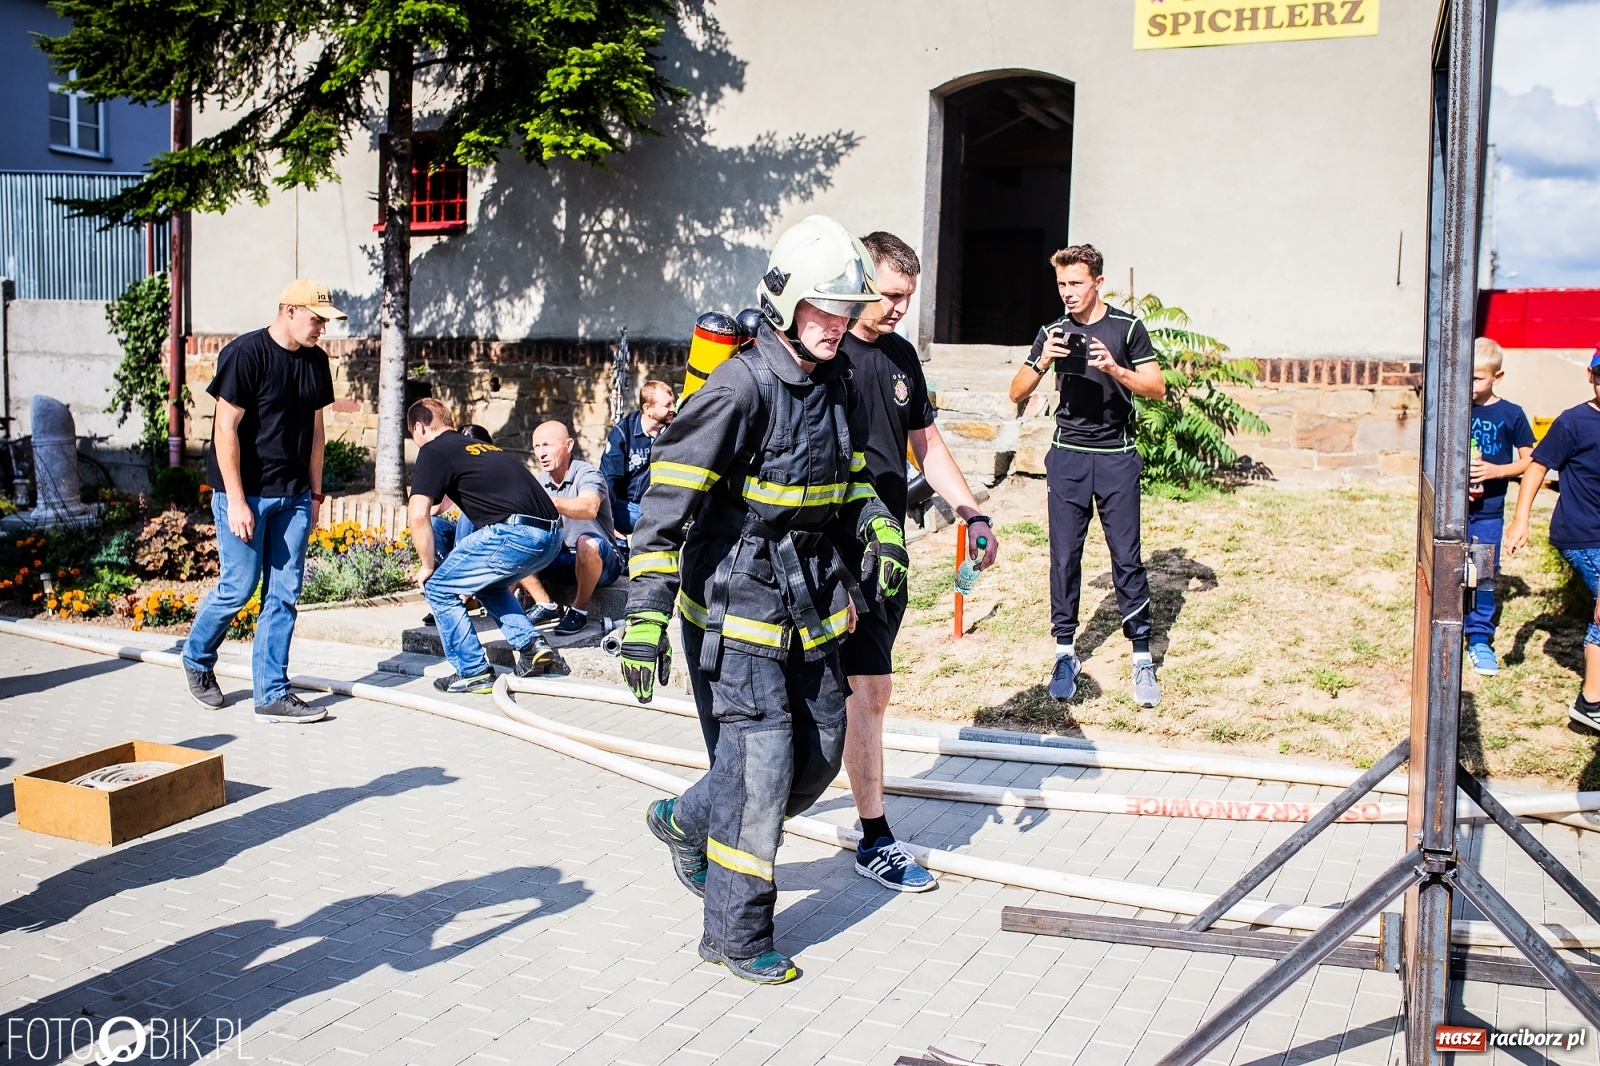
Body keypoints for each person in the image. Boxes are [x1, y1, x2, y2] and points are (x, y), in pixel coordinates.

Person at [624, 215, 906, 985]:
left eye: (846, 311)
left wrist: (880, 530)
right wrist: (645, 614)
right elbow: (664, 506)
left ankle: (685, 820)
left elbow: (850, 481)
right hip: (736, 605)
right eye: (823, 309)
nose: (836, 324)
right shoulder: (738, 386)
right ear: (784, 305)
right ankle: (738, 937)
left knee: (816, 758)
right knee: (759, 773)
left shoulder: (837, 380)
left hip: (812, 603)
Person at [836, 231, 1000, 894]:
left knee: (870, 693)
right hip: (821, 551)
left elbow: (924, 445)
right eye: (891, 294)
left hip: (883, 552)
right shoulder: (823, 354)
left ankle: (875, 837)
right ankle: (714, 815)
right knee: (800, 706)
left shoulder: (901, 357)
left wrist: (971, 511)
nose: (903, 307)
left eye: (910, 295)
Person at [1008, 244, 1167, 707]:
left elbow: (1156, 387)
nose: (1067, 293)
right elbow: (1014, 393)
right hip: (1069, 456)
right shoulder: (1052, 331)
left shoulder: (1127, 328)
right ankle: (1064, 653)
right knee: (1064, 557)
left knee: (1126, 557)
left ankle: (1141, 656)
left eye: (1075, 283)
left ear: (1098, 282)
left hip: (1116, 455)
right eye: (1061, 284)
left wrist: (1114, 368)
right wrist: (1042, 362)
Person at [182, 279, 341, 724]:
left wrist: (314, 492)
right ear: (289, 310)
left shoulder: (315, 362)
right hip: (246, 493)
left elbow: (316, 433)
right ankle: (196, 659)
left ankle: (271, 692)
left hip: (292, 496)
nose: (321, 330)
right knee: (239, 587)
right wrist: (235, 500)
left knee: (284, 593)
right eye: (316, 320)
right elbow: (225, 429)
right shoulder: (245, 354)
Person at [406, 400, 562, 693]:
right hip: (551, 537)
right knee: (487, 585)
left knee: (439, 588)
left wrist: (428, 566)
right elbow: (440, 505)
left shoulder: (433, 450)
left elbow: (417, 514)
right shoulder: (479, 449)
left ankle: (473, 670)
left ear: (419, 427)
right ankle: (531, 645)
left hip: (515, 533)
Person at [1506, 348, 1600, 731]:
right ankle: (1591, 704)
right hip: (1584, 534)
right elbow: (1537, 467)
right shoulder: (1573, 422)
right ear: (1591, 376)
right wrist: (1521, 519)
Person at [1465, 338, 1535, 675]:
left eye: (1477, 377)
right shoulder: (1455, 409)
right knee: (1450, 571)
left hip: (1490, 511)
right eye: (1466, 376)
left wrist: (1497, 471)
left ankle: (1479, 638)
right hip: (1455, 509)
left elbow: (1530, 461)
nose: (1470, 384)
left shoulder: (1512, 414)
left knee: (1485, 575)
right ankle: (1445, 626)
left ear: (1498, 376)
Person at [520, 421, 625, 636]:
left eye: (547, 445)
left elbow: (589, 507)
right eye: (537, 447)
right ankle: (545, 604)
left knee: (586, 542)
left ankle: (578, 611)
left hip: (603, 561)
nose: (541, 453)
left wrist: (551, 503)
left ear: (568, 445)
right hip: (561, 558)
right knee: (516, 541)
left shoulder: (588, 474)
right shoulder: (538, 482)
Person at [421, 424, 496, 629]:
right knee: (434, 525)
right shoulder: (461, 472)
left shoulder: (495, 471)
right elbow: (433, 512)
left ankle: (458, 592)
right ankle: (453, 589)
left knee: (467, 516)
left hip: (494, 540)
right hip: (470, 542)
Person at [602, 381, 677, 535]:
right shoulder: (623, 433)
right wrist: (606, 522)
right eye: (667, 405)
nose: (673, 409)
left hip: (661, 505)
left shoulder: (675, 430)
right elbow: (608, 479)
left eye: (673, 403)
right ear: (647, 409)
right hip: (626, 506)